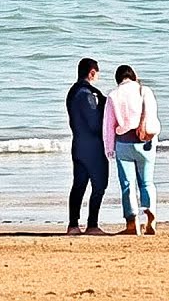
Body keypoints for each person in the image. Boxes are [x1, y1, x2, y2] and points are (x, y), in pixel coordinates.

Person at [103, 65, 161, 235]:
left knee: (127, 185)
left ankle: (131, 223)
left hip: (123, 144)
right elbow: (152, 116)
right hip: (146, 143)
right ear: (133, 76)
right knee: (147, 182)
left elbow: (108, 126)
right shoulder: (145, 91)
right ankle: (150, 215)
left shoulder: (113, 95)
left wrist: (109, 149)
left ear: (118, 79)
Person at [65, 57, 108, 235]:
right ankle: (92, 225)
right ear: (92, 72)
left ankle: (73, 224)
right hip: (92, 147)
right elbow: (94, 123)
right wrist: (103, 108)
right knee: (99, 185)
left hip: (78, 145)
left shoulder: (72, 92)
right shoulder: (86, 94)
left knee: (79, 185)